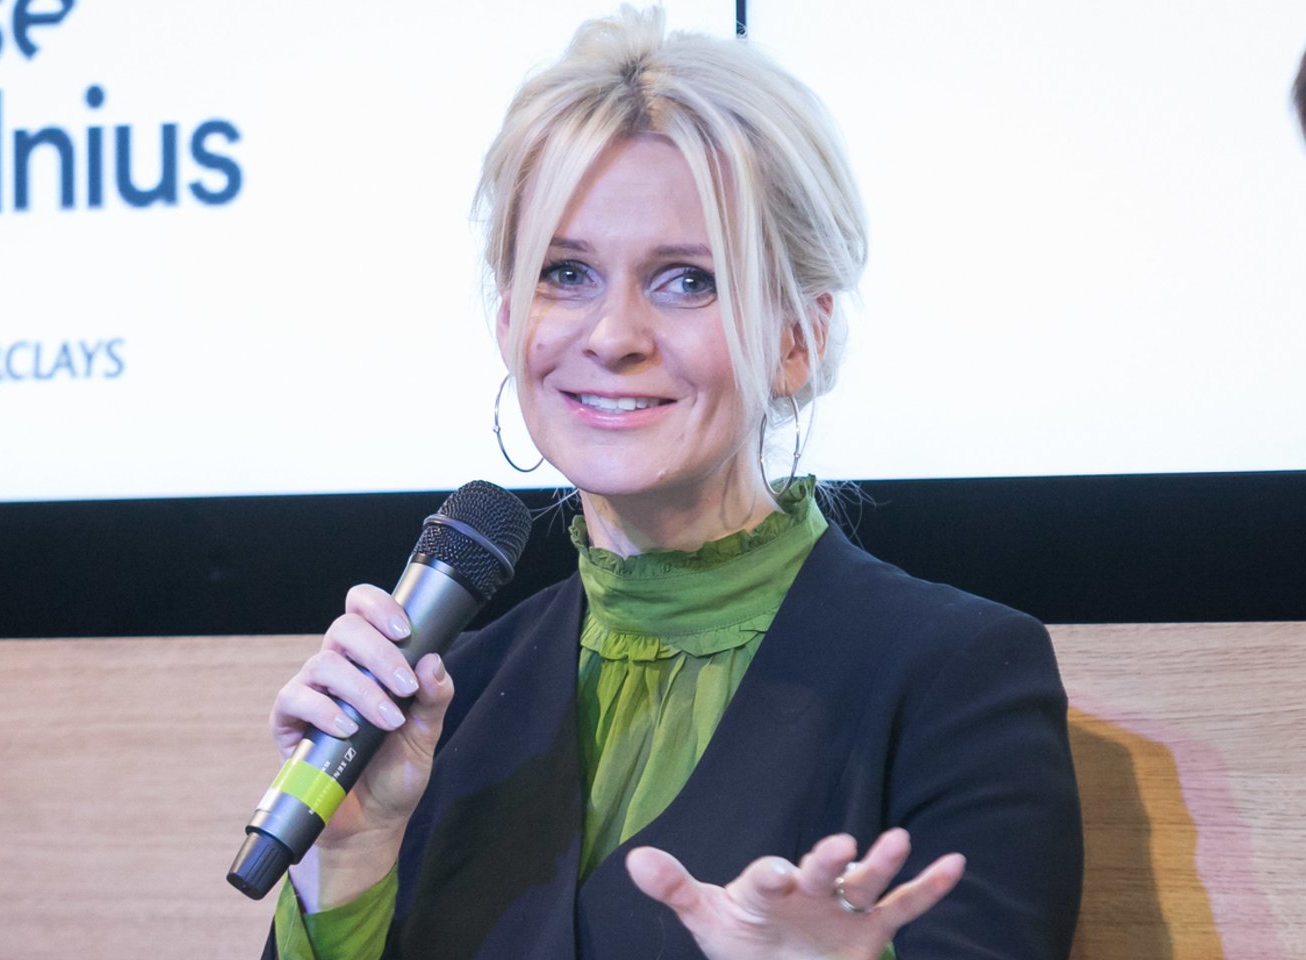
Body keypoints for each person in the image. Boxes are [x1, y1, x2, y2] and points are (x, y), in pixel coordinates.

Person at [262, 7, 1082, 958]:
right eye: (565, 273)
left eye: (687, 280)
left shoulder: (956, 679)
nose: (613, 336)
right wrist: (350, 860)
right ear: (508, 320)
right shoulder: (441, 703)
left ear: (799, 336)